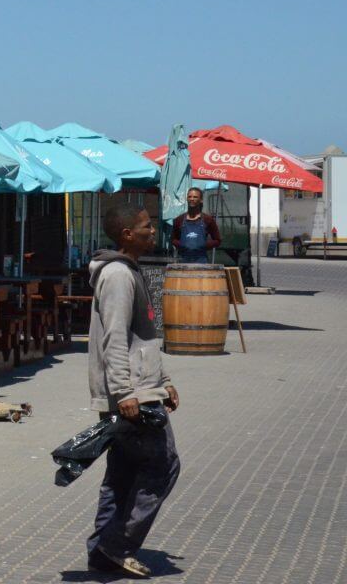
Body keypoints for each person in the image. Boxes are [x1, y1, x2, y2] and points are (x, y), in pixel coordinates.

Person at [86, 203, 181, 578]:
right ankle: (116, 545)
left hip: (141, 388)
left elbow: (142, 337)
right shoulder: (118, 276)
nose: (152, 230)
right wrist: (126, 392)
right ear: (127, 234)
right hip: (131, 394)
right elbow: (115, 338)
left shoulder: (128, 270)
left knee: (123, 473)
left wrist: (164, 380)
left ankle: (102, 551)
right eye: (146, 226)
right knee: (161, 466)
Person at [171, 187, 221, 264]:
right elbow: (173, 239)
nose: (192, 199)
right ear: (187, 199)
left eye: (195, 197)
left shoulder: (208, 220)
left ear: (201, 200)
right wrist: (182, 245)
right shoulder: (179, 220)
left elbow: (217, 240)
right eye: (189, 197)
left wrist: (203, 245)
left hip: (201, 261)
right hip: (183, 261)